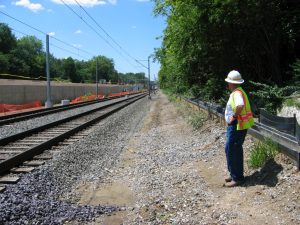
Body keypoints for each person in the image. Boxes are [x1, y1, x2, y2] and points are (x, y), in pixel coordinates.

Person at [224, 70, 254, 187]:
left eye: (229, 82)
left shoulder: (236, 93)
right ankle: (233, 174)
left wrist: (234, 116)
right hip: (238, 125)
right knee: (230, 149)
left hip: (237, 125)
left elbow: (240, 105)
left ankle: (237, 178)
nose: (228, 84)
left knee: (233, 150)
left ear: (232, 83)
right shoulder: (239, 91)